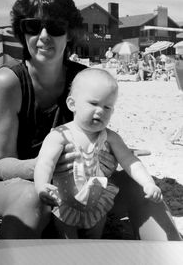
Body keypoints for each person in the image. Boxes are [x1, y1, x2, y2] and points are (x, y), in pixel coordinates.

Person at [0, 0, 181, 240]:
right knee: (32, 198)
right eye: (33, 26)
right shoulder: (8, 83)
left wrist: (109, 154)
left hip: (73, 182)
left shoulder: (85, 81)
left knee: (141, 187)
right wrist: (44, 168)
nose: (44, 36)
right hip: (10, 184)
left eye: (55, 27)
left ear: (69, 33)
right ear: (22, 32)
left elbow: (94, 133)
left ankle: (170, 254)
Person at [34, 68, 162, 238]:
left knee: (95, 237)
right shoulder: (59, 135)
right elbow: (45, 163)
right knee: (67, 241)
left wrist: (148, 183)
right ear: (72, 104)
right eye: (94, 104)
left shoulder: (110, 137)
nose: (100, 111)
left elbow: (130, 161)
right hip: (64, 202)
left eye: (107, 107)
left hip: (98, 202)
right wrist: (41, 185)